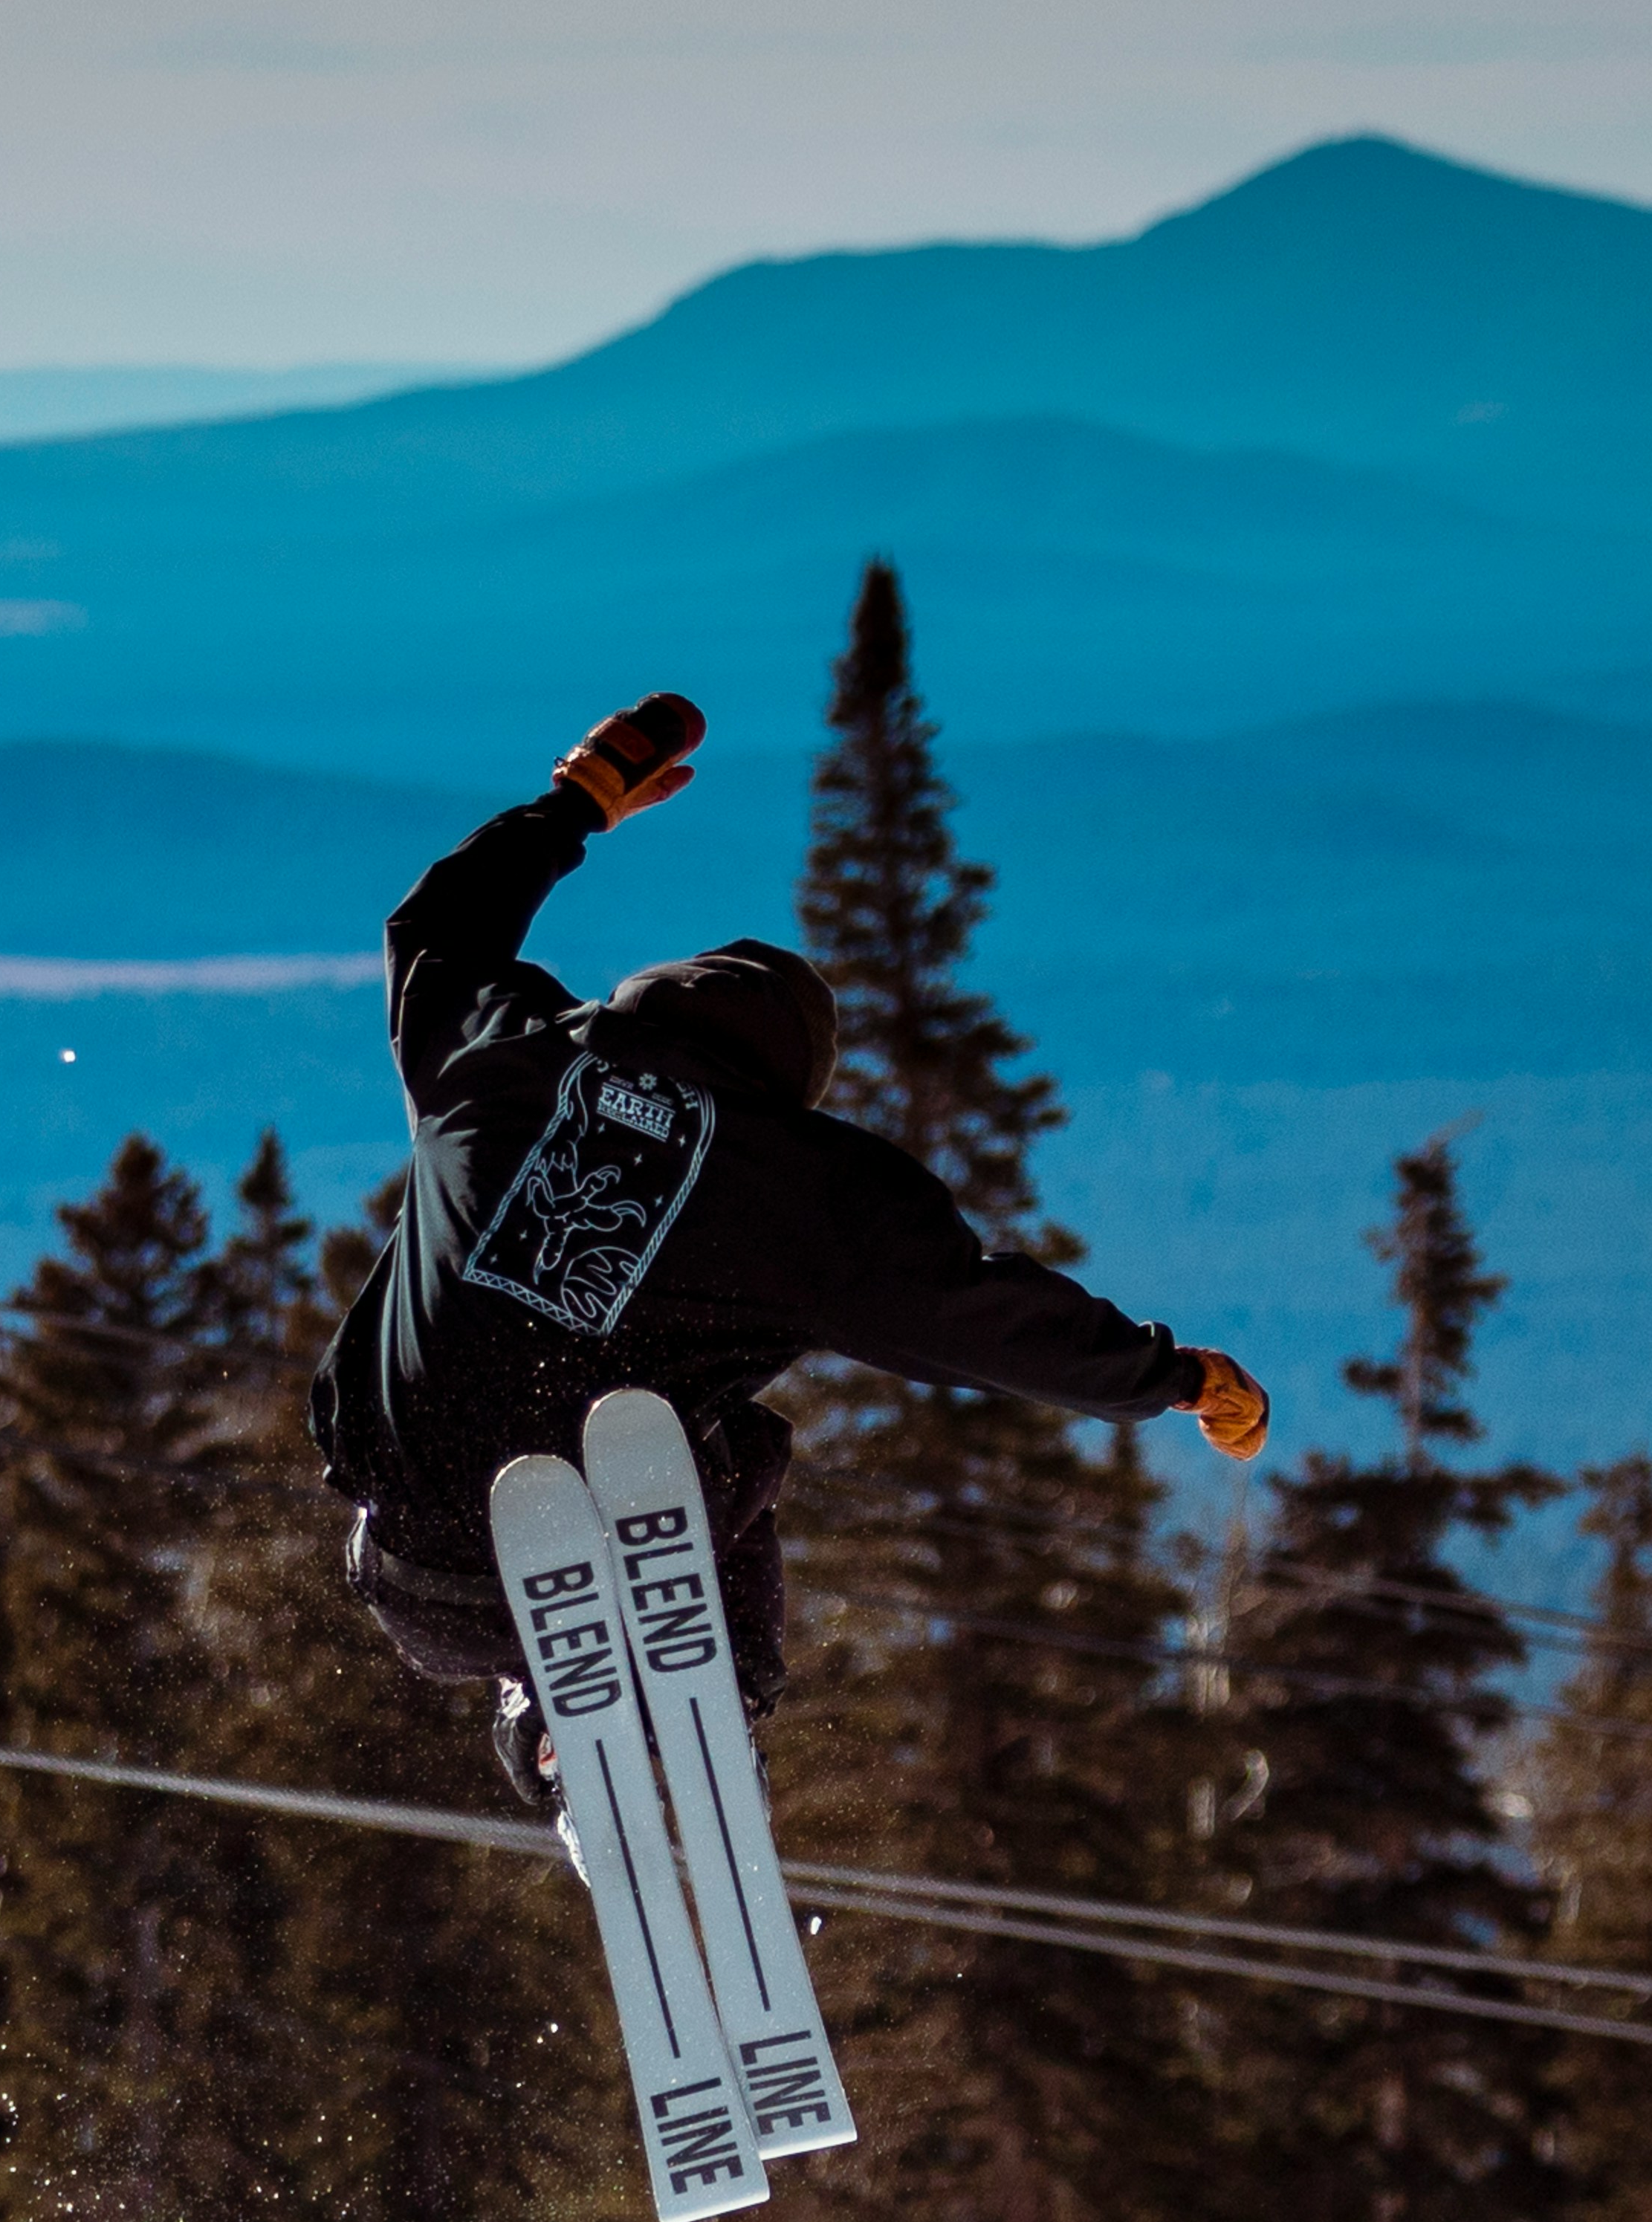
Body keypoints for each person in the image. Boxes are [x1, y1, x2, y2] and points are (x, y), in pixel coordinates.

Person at [308, 690, 1273, 1808]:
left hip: (405, 1565)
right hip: (608, 1559)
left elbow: (434, 932)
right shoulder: (806, 1187)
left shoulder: (504, 1056)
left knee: (611, 1445)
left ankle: (550, 1714)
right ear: (788, 1087)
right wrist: (1169, 1379)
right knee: (741, 1453)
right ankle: (702, 1725)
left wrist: (571, 807)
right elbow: (976, 1317)